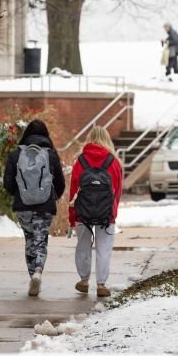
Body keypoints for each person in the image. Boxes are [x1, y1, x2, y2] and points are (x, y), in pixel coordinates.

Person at [3, 119, 66, 297]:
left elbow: (7, 183)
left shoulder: (16, 155)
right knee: (40, 240)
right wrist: (53, 197)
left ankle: (32, 275)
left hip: (23, 206)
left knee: (29, 240)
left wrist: (20, 194)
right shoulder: (50, 154)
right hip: (44, 206)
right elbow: (60, 182)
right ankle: (38, 271)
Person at [68, 125, 123, 298]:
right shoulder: (114, 162)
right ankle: (101, 284)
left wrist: (72, 217)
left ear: (89, 139)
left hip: (82, 211)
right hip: (106, 212)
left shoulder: (80, 161)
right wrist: (113, 213)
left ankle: (84, 281)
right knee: (104, 248)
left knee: (83, 245)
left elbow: (73, 190)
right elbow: (118, 191)